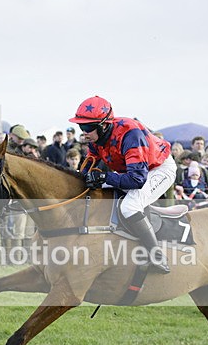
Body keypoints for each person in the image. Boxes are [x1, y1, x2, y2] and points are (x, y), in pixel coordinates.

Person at [69, 95, 175, 274]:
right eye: (81, 126)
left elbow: (137, 180)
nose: (83, 132)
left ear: (103, 125)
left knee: (130, 206)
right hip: (135, 169)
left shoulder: (130, 134)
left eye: (87, 127)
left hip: (158, 169)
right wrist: (82, 179)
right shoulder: (96, 137)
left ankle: (157, 255)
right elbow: (90, 162)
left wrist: (104, 178)